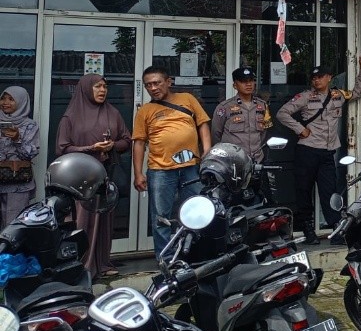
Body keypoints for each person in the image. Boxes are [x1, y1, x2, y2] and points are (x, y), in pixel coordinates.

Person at [277, 56, 361, 245]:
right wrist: (300, 129)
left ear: (329, 78)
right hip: (307, 151)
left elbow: (356, 93)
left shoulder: (337, 95)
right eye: (313, 78)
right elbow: (282, 113)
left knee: (330, 192)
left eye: (320, 77)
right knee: (304, 191)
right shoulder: (305, 97)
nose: (316, 80)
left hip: (327, 153)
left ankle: (336, 230)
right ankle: (308, 229)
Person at [55, 74, 132, 280]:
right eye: (97, 86)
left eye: (105, 86)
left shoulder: (112, 112)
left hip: (104, 175)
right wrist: (90, 148)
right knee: (82, 220)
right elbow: (62, 148)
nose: (102, 90)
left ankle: (102, 263)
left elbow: (127, 140)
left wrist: (113, 145)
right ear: (85, 89)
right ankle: (80, 266)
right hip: (79, 178)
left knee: (104, 220)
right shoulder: (71, 116)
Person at [131, 66, 212, 256]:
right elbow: (139, 143)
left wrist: (207, 152)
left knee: (196, 213)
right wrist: (138, 173)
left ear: (168, 82)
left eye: (157, 83)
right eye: (148, 85)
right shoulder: (145, 110)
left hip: (191, 168)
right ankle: (166, 259)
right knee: (161, 218)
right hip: (160, 170)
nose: (153, 88)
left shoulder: (187, 99)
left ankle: (195, 255)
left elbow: (202, 124)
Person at [211, 66, 273, 164]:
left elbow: (264, 133)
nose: (248, 84)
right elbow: (216, 134)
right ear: (235, 85)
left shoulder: (262, 105)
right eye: (244, 81)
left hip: (256, 160)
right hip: (232, 161)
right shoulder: (225, 107)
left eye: (251, 80)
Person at [0, 86, 39, 229]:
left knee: (14, 226)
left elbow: (30, 154)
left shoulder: (30, 125)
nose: (5, 102)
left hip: (18, 184)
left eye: (11, 99)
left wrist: (17, 139)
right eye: (3, 98)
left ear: (21, 101)